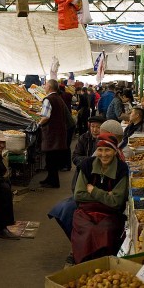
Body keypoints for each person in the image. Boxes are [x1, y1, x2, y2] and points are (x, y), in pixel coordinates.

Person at [71, 133, 129, 264]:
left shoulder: (121, 169)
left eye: (108, 150)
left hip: (110, 214)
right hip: (85, 212)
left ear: (115, 151)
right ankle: (85, 264)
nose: (103, 154)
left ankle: (101, 265)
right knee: (87, 231)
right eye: (100, 150)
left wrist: (93, 190)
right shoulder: (87, 165)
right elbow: (79, 194)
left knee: (104, 231)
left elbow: (116, 202)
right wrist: (106, 195)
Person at [38, 79, 67, 188]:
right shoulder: (58, 98)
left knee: (51, 159)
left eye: (45, 85)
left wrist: (39, 124)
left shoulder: (48, 99)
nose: (44, 87)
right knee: (52, 158)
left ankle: (53, 182)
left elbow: (45, 117)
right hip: (58, 133)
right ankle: (50, 178)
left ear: (49, 87)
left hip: (51, 133)